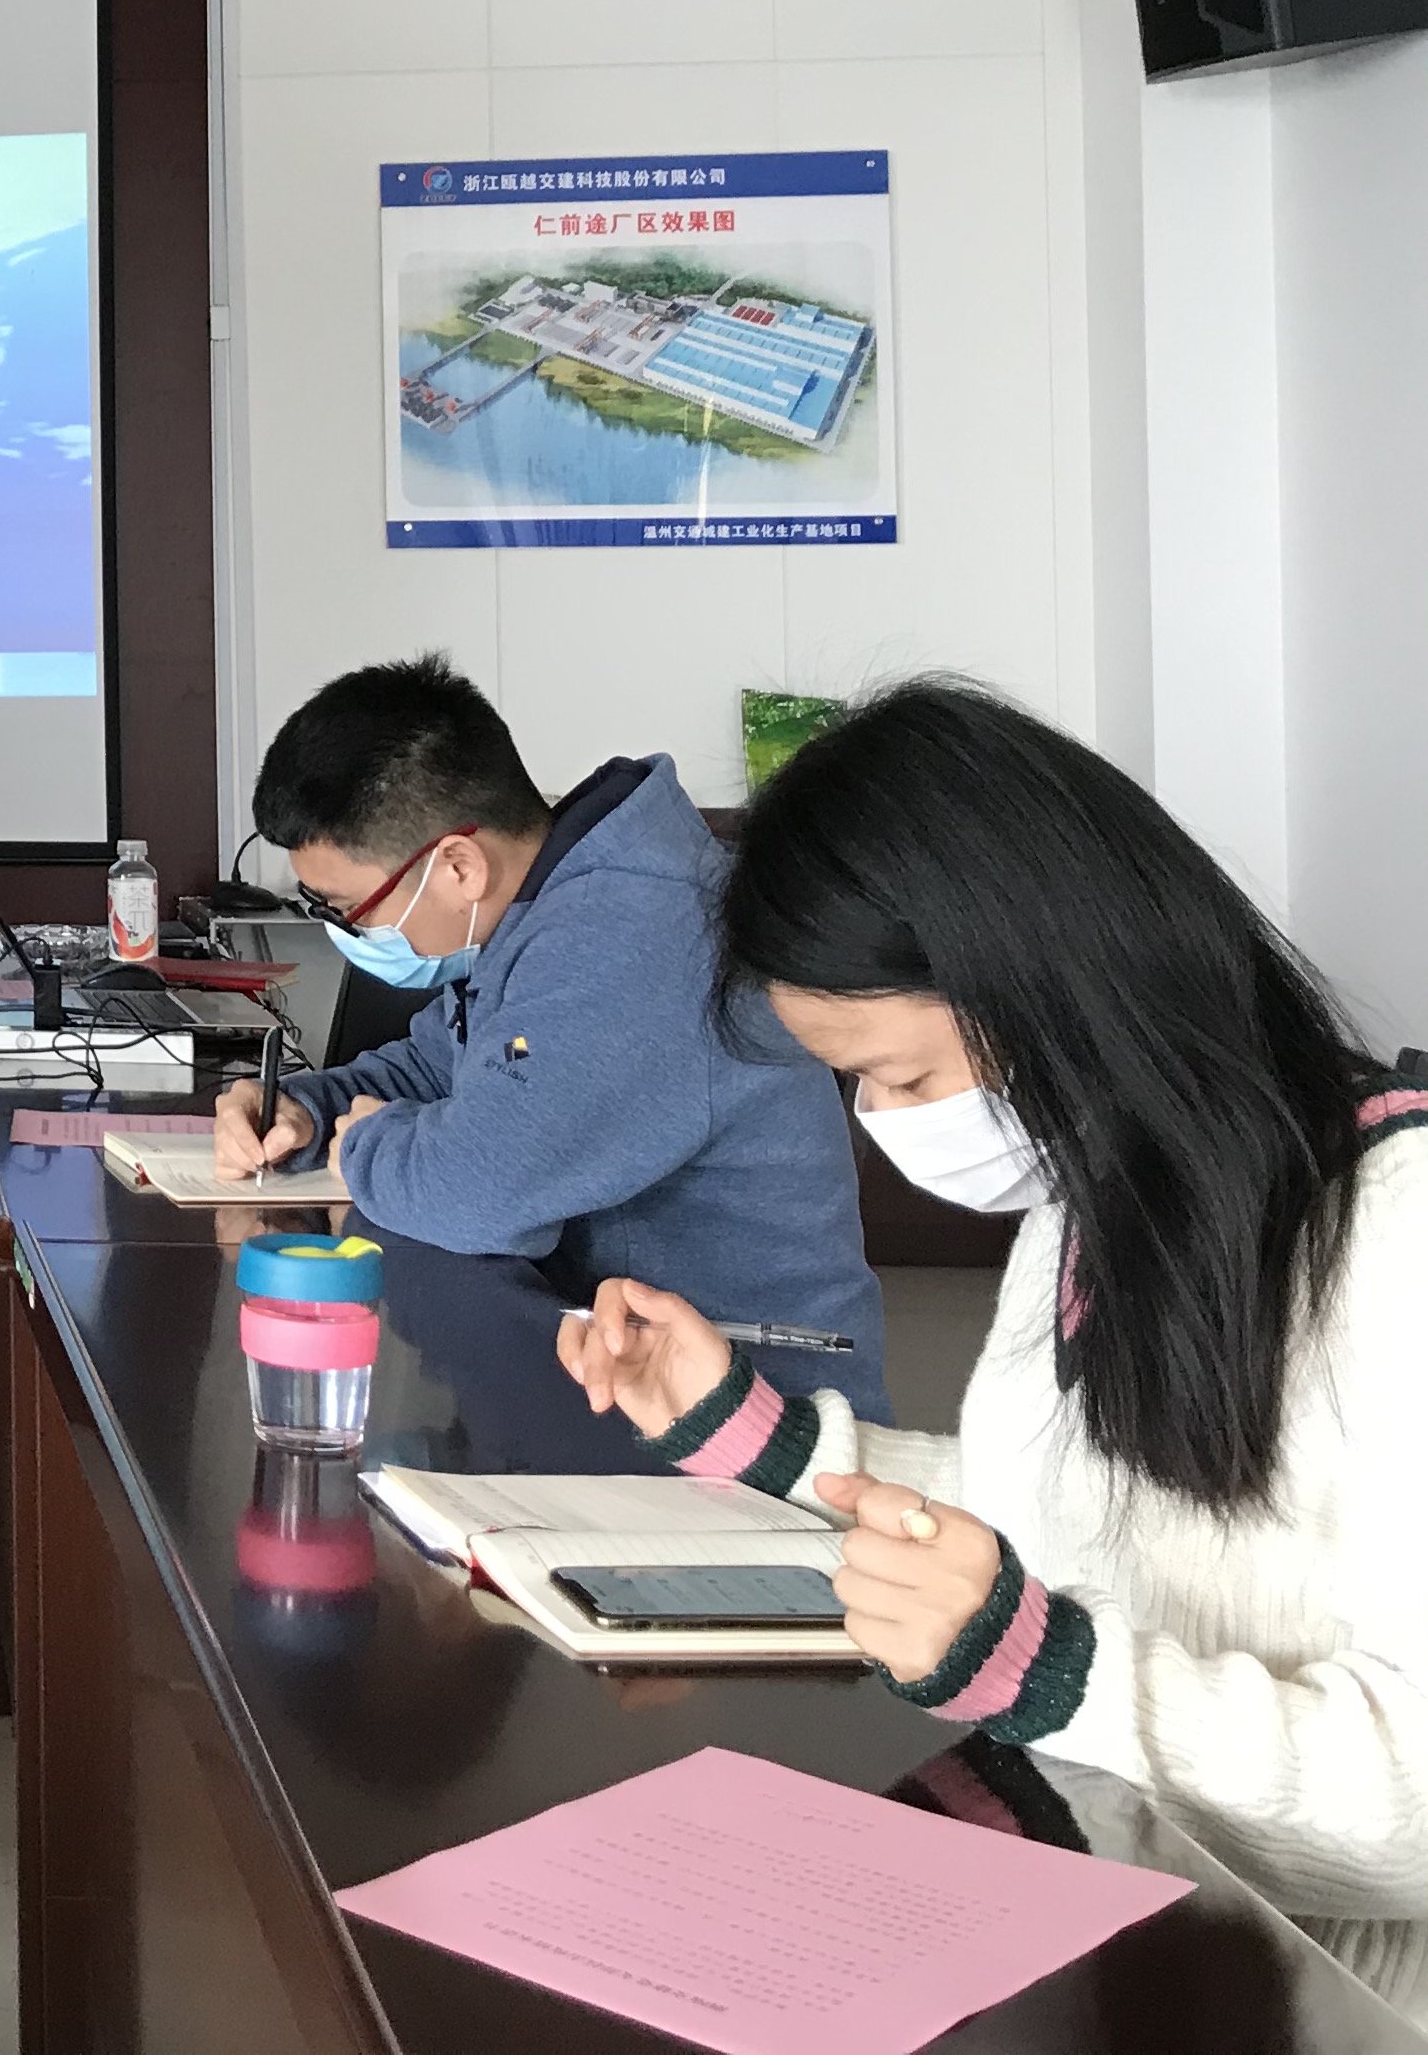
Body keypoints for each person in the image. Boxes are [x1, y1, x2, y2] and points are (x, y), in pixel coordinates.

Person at [564, 680, 1428, 2014]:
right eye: (857, 1085)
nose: (884, 1123)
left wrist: (1050, 1671)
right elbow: (1063, 1511)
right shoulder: (1093, 1204)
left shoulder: (1396, 1233)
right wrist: (754, 1432)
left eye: (905, 1078)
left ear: (1059, 979)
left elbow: (1412, 1803)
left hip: (1324, 2002)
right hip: (1137, 1940)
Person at [212, 655, 886, 1412]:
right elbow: (438, 1065)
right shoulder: (549, 904)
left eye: (347, 909)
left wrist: (368, 1144)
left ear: (458, 866)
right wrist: (307, 1109)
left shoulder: (628, 936)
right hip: (619, 1368)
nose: (346, 933)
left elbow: (478, 1194)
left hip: (747, 1413)